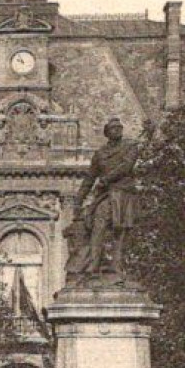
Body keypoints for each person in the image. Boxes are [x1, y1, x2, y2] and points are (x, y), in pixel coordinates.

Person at [64, 119, 142, 283]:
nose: (118, 130)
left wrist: (106, 179)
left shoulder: (130, 147)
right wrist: (78, 200)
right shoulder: (100, 154)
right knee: (98, 226)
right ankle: (93, 265)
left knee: (120, 232)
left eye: (119, 127)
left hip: (123, 193)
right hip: (106, 196)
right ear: (107, 132)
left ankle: (117, 267)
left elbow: (127, 167)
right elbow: (89, 178)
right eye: (114, 128)